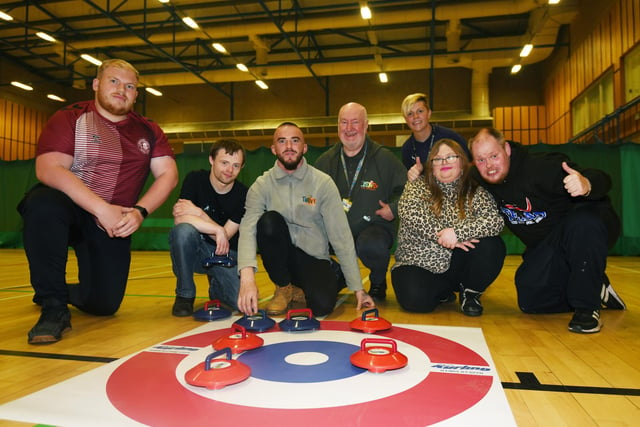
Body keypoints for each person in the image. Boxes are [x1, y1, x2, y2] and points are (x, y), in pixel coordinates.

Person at [17, 59, 178, 344]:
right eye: (114, 81)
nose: (121, 90)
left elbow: (168, 174)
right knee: (42, 203)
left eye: (130, 86)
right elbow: (48, 168)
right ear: (96, 84)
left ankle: (59, 289)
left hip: (111, 225)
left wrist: (140, 212)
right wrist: (101, 208)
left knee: (104, 305)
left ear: (136, 93)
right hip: (70, 210)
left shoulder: (148, 130)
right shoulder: (70, 117)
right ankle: (53, 306)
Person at [469, 128, 626, 333]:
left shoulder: (541, 167)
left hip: (588, 229)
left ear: (506, 149)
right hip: (550, 244)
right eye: (481, 160)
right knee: (530, 299)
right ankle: (595, 287)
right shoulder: (479, 179)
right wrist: (418, 174)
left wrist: (586, 184)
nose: (489, 165)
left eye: (494, 156)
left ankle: (587, 307)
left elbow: (601, 177)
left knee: (582, 222)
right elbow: (448, 178)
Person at [237, 122, 374, 317]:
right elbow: (248, 229)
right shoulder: (261, 185)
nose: (289, 147)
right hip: (280, 259)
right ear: (274, 149)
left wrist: (358, 288)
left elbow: (340, 235)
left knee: (321, 307)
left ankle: (332, 276)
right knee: (268, 222)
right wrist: (247, 278)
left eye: (295, 140)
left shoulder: (323, 183)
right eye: (282, 141)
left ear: (305, 147)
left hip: (313, 257)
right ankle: (284, 288)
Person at [392, 139, 505, 316]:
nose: (444, 162)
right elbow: (409, 213)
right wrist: (441, 235)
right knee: (416, 302)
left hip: (456, 263)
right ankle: (442, 292)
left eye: (451, 157)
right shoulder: (416, 186)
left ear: (462, 162)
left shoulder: (475, 191)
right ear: (431, 166)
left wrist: (457, 233)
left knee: (492, 245)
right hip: (417, 262)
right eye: (437, 159)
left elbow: (495, 221)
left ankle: (470, 293)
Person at [315, 102, 407, 301]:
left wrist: (394, 207)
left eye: (355, 122)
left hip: (373, 227)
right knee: (308, 243)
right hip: (335, 229)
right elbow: (311, 196)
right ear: (338, 126)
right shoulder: (325, 161)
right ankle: (339, 276)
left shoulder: (384, 158)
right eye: (344, 123)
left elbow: (407, 190)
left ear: (366, 126)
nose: (349, 129)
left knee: (371, 244)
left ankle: (378, 281)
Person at [169, 139, 248, 316]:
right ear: (211, 160)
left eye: (236, 165)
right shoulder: (195, 179)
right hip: (195, 252)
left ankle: (216, 285)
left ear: (241, 168)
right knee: (183, 232)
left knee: (237, 302)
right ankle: (185, 294)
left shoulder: (244, 194)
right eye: (224, 163)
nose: (229, 170)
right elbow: (181, 219)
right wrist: (218, 229)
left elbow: (226, 237)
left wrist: (200, 214)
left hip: (226, 254)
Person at [400, 93, 469, 182]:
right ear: (406, 119)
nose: (415, 116)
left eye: (420, 111)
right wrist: (413, 176)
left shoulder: (451, 137)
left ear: (429, 113)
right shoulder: (407, 149)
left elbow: (469, 165)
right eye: (410, 114)